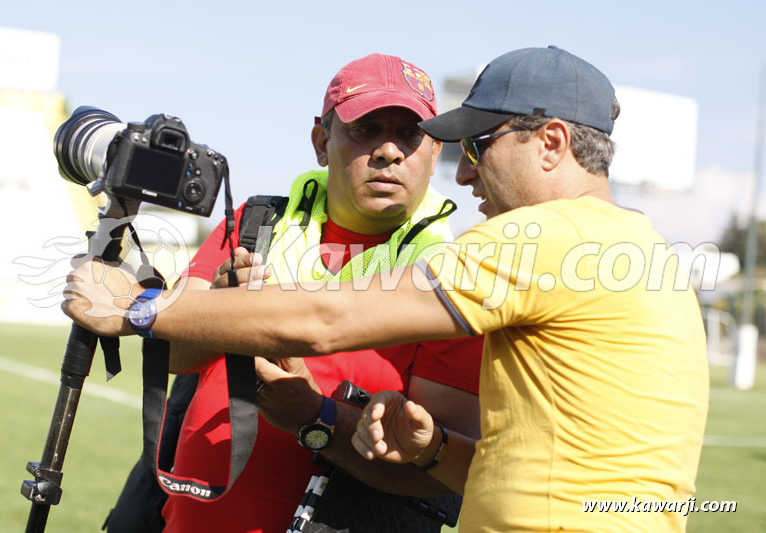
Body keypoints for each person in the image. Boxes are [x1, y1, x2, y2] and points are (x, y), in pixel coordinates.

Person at [64, 46, 709, 532]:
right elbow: (510, 462)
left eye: (478, 147)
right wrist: (429, 449)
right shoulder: (638, 248)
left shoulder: (544, 236)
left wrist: (139, 307)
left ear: (552, 143)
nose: (465, 175)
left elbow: (327, 317)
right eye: (366, 131)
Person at [108, 52, 483, 533]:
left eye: (409, 134)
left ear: (434, 152)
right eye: (366, 129)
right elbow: (174, 356)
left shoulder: (453, 274)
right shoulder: (255, 222)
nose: (389, 151)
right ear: (321, 142)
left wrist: (316, 419)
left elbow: (441, 469)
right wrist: (216, 306)